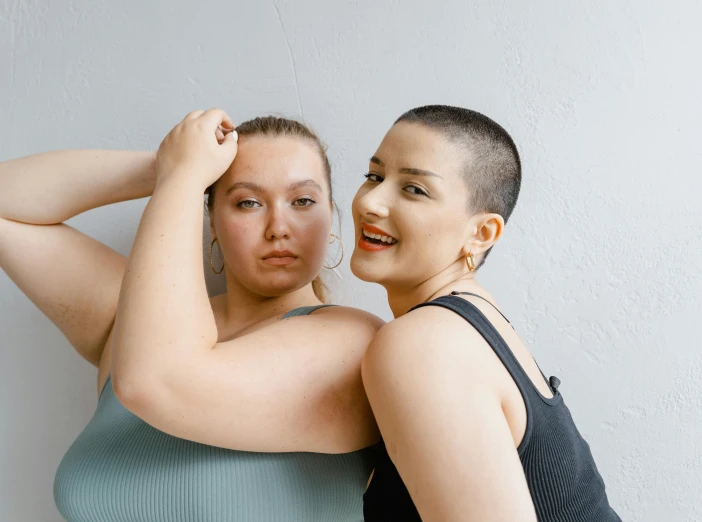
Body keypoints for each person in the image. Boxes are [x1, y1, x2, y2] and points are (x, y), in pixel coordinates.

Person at [0, 109, 382, 522]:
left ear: (332, 218)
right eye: (248, 202)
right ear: (212, 222)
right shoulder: (136, 322)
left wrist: (183, 175)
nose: (278, 227)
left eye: (303, 200)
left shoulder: (354, 344)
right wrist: (177, 167)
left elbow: (156, 383)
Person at [353, 105, 621, 521]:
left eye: (414, 190)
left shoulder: (426, 343)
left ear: (482, 234)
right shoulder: (470, 324)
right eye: (375, 176)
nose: (371, 201)